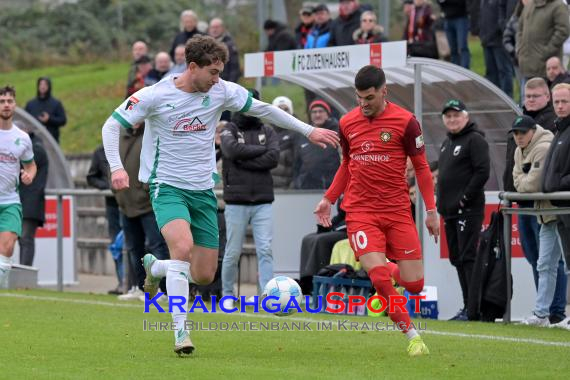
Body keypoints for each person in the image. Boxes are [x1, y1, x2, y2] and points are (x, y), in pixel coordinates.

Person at [102, 35, 338, 356]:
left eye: (220, 72)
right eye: (212, 72)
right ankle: (181, 333)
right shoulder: (154, 95)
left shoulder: (221, 90)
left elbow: (266, 109)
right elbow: (111, 126)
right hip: (166, 187)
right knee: (182, 249)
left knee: (202, 273)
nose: (218, 79)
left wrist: (308, 130)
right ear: (193, 66)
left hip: (203, 191)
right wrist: (117, 167)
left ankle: (156, 268)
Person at [314, 65, 439, 356]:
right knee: (379, 278)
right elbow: (347, 165)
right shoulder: (347, 123)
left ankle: (394, 270)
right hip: (360, 211)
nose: (363, 104)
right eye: (359, 98)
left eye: (369, 97)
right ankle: (412, 336)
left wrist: (431, 210)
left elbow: (421, 167)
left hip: (397, 210)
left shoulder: (407, 122)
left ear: (384, 90)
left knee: (415, 285)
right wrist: (328, 199)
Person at [219, 90, 279, 308]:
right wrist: (259, 152)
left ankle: (267, 297)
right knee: (232, 251)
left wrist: (244, 159)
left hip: (263, 201)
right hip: (236, 201)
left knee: (265, 249)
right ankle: (227, 295)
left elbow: (273, 158)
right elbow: (230, 151)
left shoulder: (267, 130)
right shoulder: (229, 129)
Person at [437, 100, 490, 321]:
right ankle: (467, 306)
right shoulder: (446, 143)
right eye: (448, 116)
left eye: (456, 115)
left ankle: (473, 309)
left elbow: (482, 171)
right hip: (449, 212)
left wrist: (465, 198)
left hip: (468, 211)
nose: (452, 119)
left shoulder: (474, 140)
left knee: (468, 258)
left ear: (466, 117)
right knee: (457, 259)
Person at [511, 115, 567, 326]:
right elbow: (519, 181)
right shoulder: (519, 150)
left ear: (533, 131)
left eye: (522, 132)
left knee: (561, 265)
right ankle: (542, 314)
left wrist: (524, 180)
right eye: (516, 133)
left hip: (559, 212)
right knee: (544, 264)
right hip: (546, 214)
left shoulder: (544, 146)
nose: (518, 137)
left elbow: (531, 185)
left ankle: (556, 313)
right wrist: (525, 180)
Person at [113, 122, 170, 301]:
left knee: (157, 246)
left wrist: (145, 189)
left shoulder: (153, 133)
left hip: (148, 203)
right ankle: (140, 288)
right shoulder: (120, 136)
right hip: (125, 202)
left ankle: (162, 290)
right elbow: (113, 162)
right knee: (133, 248)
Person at [0, 86, 37, 288]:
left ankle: (3, 297)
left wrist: (29, 175)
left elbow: (30, 164)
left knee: (6, 249)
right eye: (2, 101)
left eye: (9, 101)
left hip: (10, 202)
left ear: (15, 105)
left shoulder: (22, 138)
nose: (6, 105)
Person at [541, 83, 570, 329]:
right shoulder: (559, 129)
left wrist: (558, 183)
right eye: (557, 102)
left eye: (565, 102)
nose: (560, 106)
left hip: (566, 203)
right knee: (567, 262)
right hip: (559, 206)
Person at [86, 145, 123, 295]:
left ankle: (137, 284)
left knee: (136, 244)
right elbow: (91, 177)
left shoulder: (132, 145)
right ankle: (122, 283)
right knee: (116, 244)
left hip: (134, 204)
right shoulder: (100, 152)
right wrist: (109, 186)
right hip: (113, 205)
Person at [292, 100, 340, 189]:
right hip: (306, 188)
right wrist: (297, 183)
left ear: (328, 114)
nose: (317, 115)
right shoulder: (303, 134)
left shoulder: (337, 132)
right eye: (314, 112)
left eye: (321, 111)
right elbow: (296, 164)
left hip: (330, 188)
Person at [18, 126, 49, 266]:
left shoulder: (35, 149)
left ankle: (24, 277)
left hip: (30, 203)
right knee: (19, 239)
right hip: (21, 201)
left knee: (25, 239)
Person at [24, 77, 67, 143]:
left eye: (45, 85)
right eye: (41, 84)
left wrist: (49, 119)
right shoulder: (30, 104)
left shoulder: (56, 103)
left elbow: (63, 120)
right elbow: (24, 120)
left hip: (51, 140)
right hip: (33, 140)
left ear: (49, 86)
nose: (42, 87)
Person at [436, 0, 470, 68]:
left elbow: (461, 2)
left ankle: (465, 70)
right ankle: (455, 70)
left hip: (460, 18)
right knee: (453, 49)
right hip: (448, 19)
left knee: (462, 47)